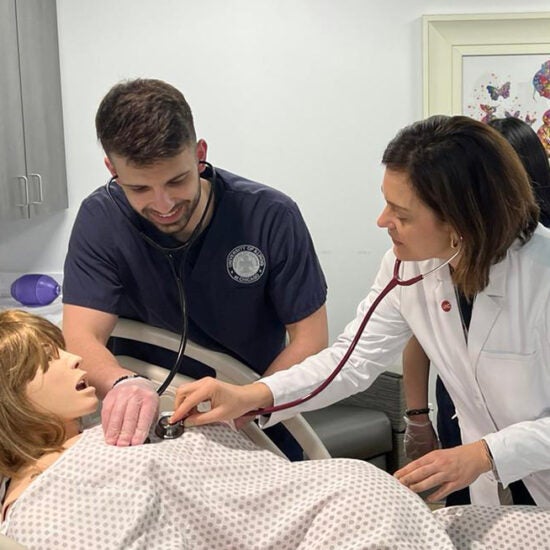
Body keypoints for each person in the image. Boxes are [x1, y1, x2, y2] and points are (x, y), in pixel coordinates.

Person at [170, 115, 550, 507]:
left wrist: (485, 453)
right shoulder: (408, 267)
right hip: (496, 492)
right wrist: (251, 394)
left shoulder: (543, 275)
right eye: (386, 203)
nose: (383, 221)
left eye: (401, 214)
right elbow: (349, 361)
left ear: (461, 223)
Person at [0, 310, 456, 550]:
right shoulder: (43, 503)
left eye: (61, 349)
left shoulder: (102, 439)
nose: (75, 358)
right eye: (47, 360)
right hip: (344, 518)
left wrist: (243, 400)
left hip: (342, 508)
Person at [62, 78, 328, 452]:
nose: (164, 204)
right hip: (148, 427)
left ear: (199, 153)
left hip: (254, 422)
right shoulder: (101, 220)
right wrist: (122, 384)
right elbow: (81, 336)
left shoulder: (269, 216)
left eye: (178, 180)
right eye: (139, 189)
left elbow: (311, 340)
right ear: (112, 169)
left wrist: (247, 399)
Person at [401, 116, 550, 506]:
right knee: (472, 513)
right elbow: (363, 351)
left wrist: (486, 452)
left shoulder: (539, 265)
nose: (386, 223)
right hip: (461, 404)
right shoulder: (427, 260)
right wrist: (418, 415)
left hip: (535, 441)